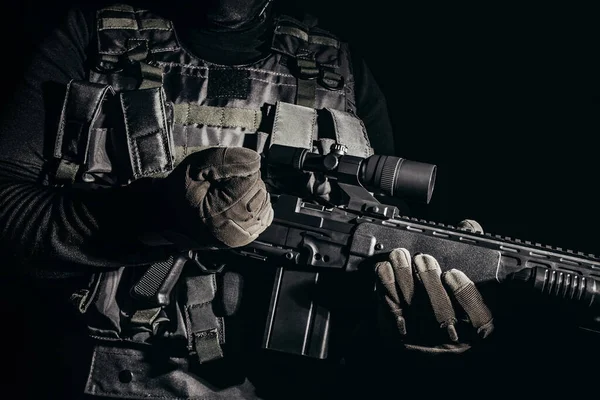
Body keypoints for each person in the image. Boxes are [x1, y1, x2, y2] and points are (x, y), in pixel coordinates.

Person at [0, 1, 589, 399]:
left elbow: (375, 264)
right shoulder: (89, 38)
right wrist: (152, 218)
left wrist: (409, 325)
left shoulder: (337, 64)